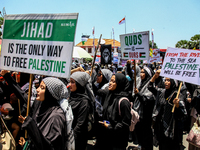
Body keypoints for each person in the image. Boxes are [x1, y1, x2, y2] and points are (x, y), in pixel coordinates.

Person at [18, 77, 67, 150]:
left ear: (50, 92)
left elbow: (49, 146)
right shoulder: (40, 106)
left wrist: (31, 126)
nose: (37, 90)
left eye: (42, 88)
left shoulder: (56, 116)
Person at [148, 70, 187, 150]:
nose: (166, 82)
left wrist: (177, 105)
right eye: (165, 80)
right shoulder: (162, 92)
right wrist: (155, 76)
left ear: (173, 82)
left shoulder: (178, 95)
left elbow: (183, 115)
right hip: (161, 126)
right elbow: (150, 87)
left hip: (172, 128)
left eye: (168, 80)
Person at [98, 73, 132, 150]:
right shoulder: (110, 95)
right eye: (110, 80)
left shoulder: (123, 101)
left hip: (118, 140)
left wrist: (110, 127)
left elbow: (126, 122)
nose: (110, 83)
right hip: (107, 137)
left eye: (114, 81)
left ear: (120, 83)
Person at [132, 66, 155, 150]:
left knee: (146, 133)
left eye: (143, 72)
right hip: (138, 112)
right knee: (139, 132)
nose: (141, 74)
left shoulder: (150, 85)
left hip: (146, 114)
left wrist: (138, 94)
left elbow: (147, 100)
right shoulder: (140, 83)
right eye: (140, 72)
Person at [68, 71, 91, 150]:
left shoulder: (84, 102)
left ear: (79, 84)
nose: (69, 85)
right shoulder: (71, 96)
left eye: (72, 82)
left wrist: (70, 138)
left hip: (77, 139)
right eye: (69, 82)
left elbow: (80, 124)